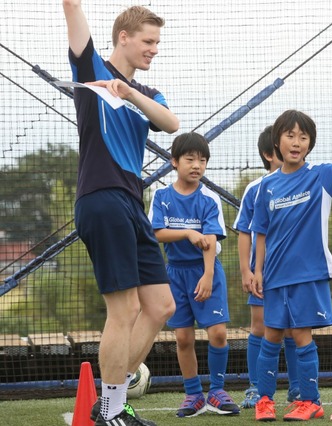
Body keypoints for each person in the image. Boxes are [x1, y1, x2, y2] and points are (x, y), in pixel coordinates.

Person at [62, 1, 179, 425]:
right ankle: (112, 410)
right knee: (124, 310)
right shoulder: (91, 67)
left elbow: (171, 123)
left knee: (161, 305)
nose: (154, 49)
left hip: (132, 203)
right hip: (101, 197)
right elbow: (72, 7)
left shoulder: (146, 93)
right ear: (123, 38)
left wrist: (129, 93)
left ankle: (110, 397)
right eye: (148, 41)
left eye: (157, 42)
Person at [249, 110, 332, 421]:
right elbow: (260, 232)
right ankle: (264, 400)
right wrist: (257, 271)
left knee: (300, 335)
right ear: (277, 141)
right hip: (273, 277)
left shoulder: (320, 175)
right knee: (270, 337)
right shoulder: (265, 188)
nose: (296, 142)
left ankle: (311, 402)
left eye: (303, 137)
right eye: (290, 136)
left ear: (310, 144)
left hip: (308, 275)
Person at [148, 132, 240, 417]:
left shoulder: (209, 199)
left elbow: (210, 239)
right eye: (190, 159)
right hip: (175, 274)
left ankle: (217, 391)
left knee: (219, 333)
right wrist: (188, 232)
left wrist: (208, 275)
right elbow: (157, 232)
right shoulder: (161, 196)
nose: (197, 165)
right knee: (183, 338)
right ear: (174, 162)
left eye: (202, 160)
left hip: (206, 270)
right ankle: (192, 395)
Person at [232, 125, 300, 409]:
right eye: (281, 144)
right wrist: (247, 272)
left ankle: (298, 389)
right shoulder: (256, 188)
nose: (291, 148)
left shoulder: (302, 183)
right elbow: (245, 232)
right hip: (264, 274)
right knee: (259, 327)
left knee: (296, 329)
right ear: (268, 152)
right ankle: (255, 388)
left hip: (295, 273)